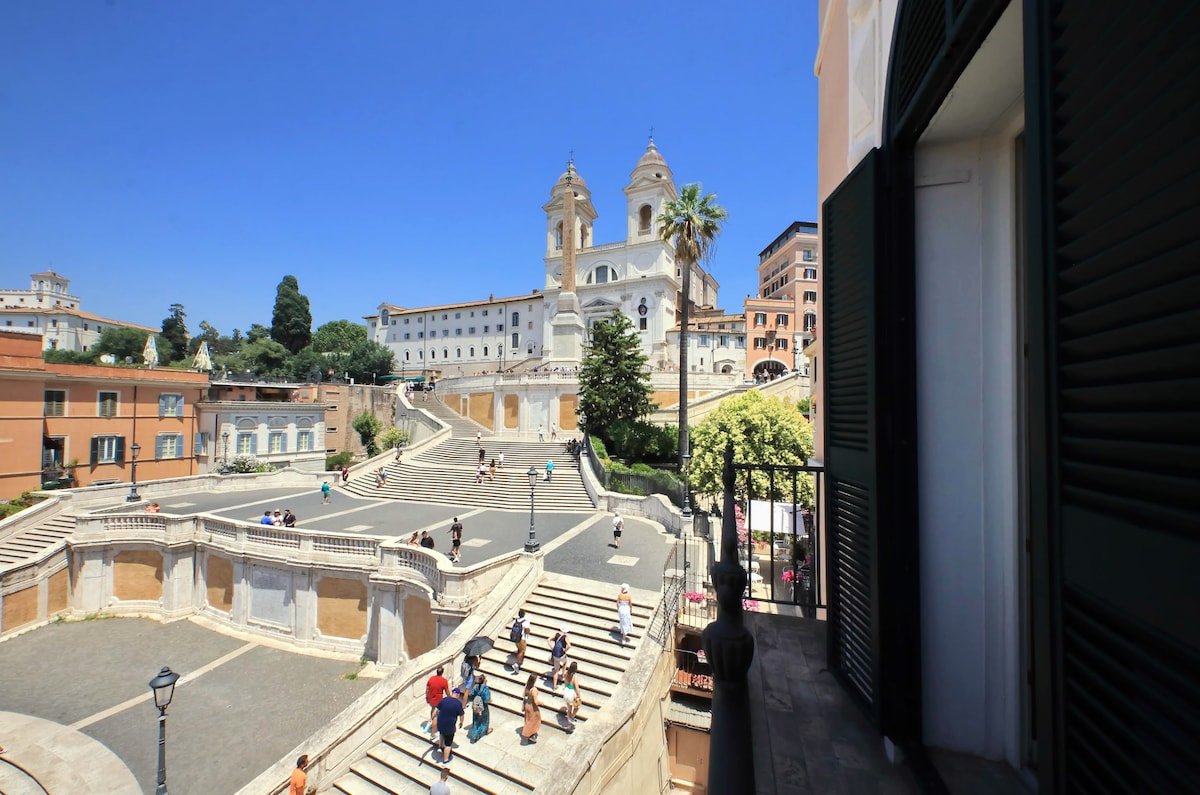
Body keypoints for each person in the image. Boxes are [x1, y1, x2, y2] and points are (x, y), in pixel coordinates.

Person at [435, 690, 465, 764]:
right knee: (448, 744)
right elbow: (461, 715)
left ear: (452, 693)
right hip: (449, 727)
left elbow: (437, 710)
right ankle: (445, 760)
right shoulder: (458, 704)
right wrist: (461, 722)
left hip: (440, 723)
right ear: (458, 695)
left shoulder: (444, 699)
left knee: (441, 733)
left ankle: (440, 746)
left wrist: (433, 717)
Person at [425, 666, 452, 740]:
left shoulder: (431, 679)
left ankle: (432, 724)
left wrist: (427, 698)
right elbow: (447, 692)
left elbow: (427, 689)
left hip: (431, 700)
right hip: (438, 701)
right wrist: (450, 698)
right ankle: (432, 734)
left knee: (433, 710)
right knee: (435, 718)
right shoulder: (444, 681)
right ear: (442, 672)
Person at [467, 673, 493, 742]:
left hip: (476, 705)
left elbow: (471, 695)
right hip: (483, 707)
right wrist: (490, 701)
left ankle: (474, 734)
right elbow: (486, 700)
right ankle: (484, 731)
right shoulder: (485, 689)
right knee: (484, 720)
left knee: (476, 720)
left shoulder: (475, 686)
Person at [561, 661, 583, 728]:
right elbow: (576, 687)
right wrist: (579, 695)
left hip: (566, 691)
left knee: (569, 708)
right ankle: (572, 718)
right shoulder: (574, 677)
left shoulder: (566, 673)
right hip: (572, 693)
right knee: (577, 707)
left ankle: (569, 719)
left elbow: (565, 683)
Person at [521, 673, 541, 744]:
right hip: (532, 707)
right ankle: (532, 735)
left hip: (527, 705)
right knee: (535, 720)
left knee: (528, 720)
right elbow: (536, 701)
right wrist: (541, 703)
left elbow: (524, 696)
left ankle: (529, 733)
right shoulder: (534, 689)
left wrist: (523, 706)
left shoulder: (526, 687)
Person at [509, 609, 531, 673]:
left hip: (515, 637)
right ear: (524, 614)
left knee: (519, 649)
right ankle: (517, 664)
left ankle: (519, 661)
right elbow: (527, 631)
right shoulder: (525, 621)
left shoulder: (515, 620)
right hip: (522, 638)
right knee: (522, 650)